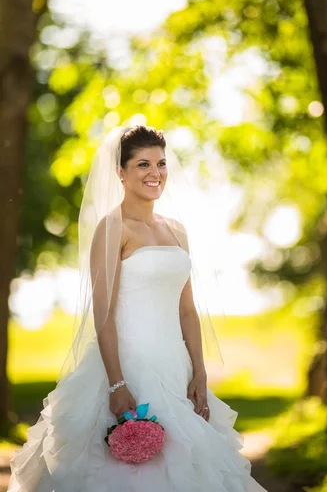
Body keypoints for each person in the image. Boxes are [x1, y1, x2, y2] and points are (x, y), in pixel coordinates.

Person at [7, 124, 267, 491]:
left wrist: (200, 372)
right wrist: (117, 383)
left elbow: (187, 311)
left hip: (175, 367)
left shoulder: (176, 230)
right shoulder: (113, 228)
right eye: (143, 164)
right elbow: (104, 314)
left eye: (161, 164)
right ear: (121, 172)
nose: (155, 173)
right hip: (126, 366)